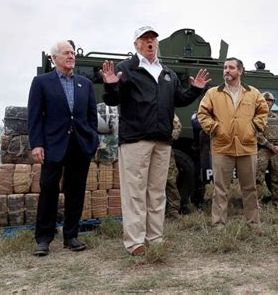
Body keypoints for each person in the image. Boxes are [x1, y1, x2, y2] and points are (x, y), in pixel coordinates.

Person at [100, 26, 210, 256]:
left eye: (153, 38)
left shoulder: (166, 72)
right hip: (135, 141)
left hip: (162, 140)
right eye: (145, 38)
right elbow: (113, 99)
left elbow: (179, 99)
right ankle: (135, 242)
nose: (150, 42)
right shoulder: (126, 69)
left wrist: (195, 90)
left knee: (157, 192)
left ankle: (155, 238)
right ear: (136, 44)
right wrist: (110, 84)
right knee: (135, 193)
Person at [28, 40, 99, 256]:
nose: (71, 56)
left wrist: (92, 139)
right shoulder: (41, 82)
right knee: (48, 190)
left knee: (75, 191)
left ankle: (71, 236)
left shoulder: (84, 84)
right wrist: (37, 144)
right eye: (66, 53)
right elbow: (34, 117)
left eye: (72, 53)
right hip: (53, 146)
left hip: (79, 146)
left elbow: (91, 117)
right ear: (55, 58)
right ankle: (43, 239)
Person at [198, 57, 268, 227]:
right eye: (225, 67)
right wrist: (215, 128)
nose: (226, 70)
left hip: (247, 147)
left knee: (250, 188)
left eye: (230, 67)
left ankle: (253, 223)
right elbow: (202, 114)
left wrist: (253, 127)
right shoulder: (213, 93)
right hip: (222, 147)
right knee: (220, 189)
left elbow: (263, 112)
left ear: (240, 71)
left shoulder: (253, 93)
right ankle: (219, 224)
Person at [256, 92, 278, 210]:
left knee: (277, 179)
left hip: (277, 153)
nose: (267, 102)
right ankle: (256, 205)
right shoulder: (257, 118)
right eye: (265, 100)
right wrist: (270, 146)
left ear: (273, 102)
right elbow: (257, 135)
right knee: (258, 179)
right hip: (263, 152)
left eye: (269, 100)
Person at [165, 114, 182, 218]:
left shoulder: (164, 108)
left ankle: (173, 210)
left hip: (164, 148)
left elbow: (177, 126)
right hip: (145, 148)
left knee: (170, 180)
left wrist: (167, 137)